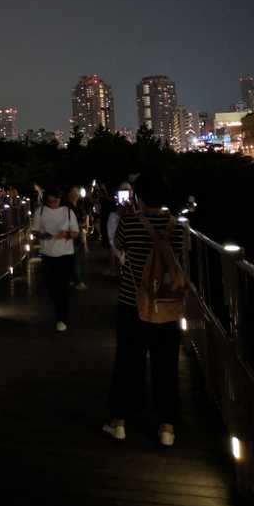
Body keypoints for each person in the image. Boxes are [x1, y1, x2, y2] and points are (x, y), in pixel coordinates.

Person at [103, 169, 185, 447]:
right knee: (167, 367)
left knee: (127, 364)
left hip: (132, 304)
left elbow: (118, 248)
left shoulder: (130, 223)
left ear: (138, 196)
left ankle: (120, 422)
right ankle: (167, 427)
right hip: (167, 306)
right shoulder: (177, 227)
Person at [31, 187, 79, 331]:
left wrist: (67, 235)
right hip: (47, 254)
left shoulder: (68, 212)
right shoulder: (40, 212)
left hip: (65, 254)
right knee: (51, 285)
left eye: (56, 198)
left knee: (62, 286)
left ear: (60, 198)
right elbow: (34, 230)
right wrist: (42, 235)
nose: (53, 201)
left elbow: (76, 232)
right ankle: (60, 313)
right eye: (51, 198)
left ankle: (62, 317)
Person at [68, 185, 89, 290]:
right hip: (72, 234)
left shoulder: (79, 205)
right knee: (75, 258)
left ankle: (72, 279)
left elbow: (83, 216)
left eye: (77, 193)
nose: (77, 195)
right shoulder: (68, 207)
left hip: (79, 233)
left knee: (75, 257)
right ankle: (77, 281)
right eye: (75, 192)